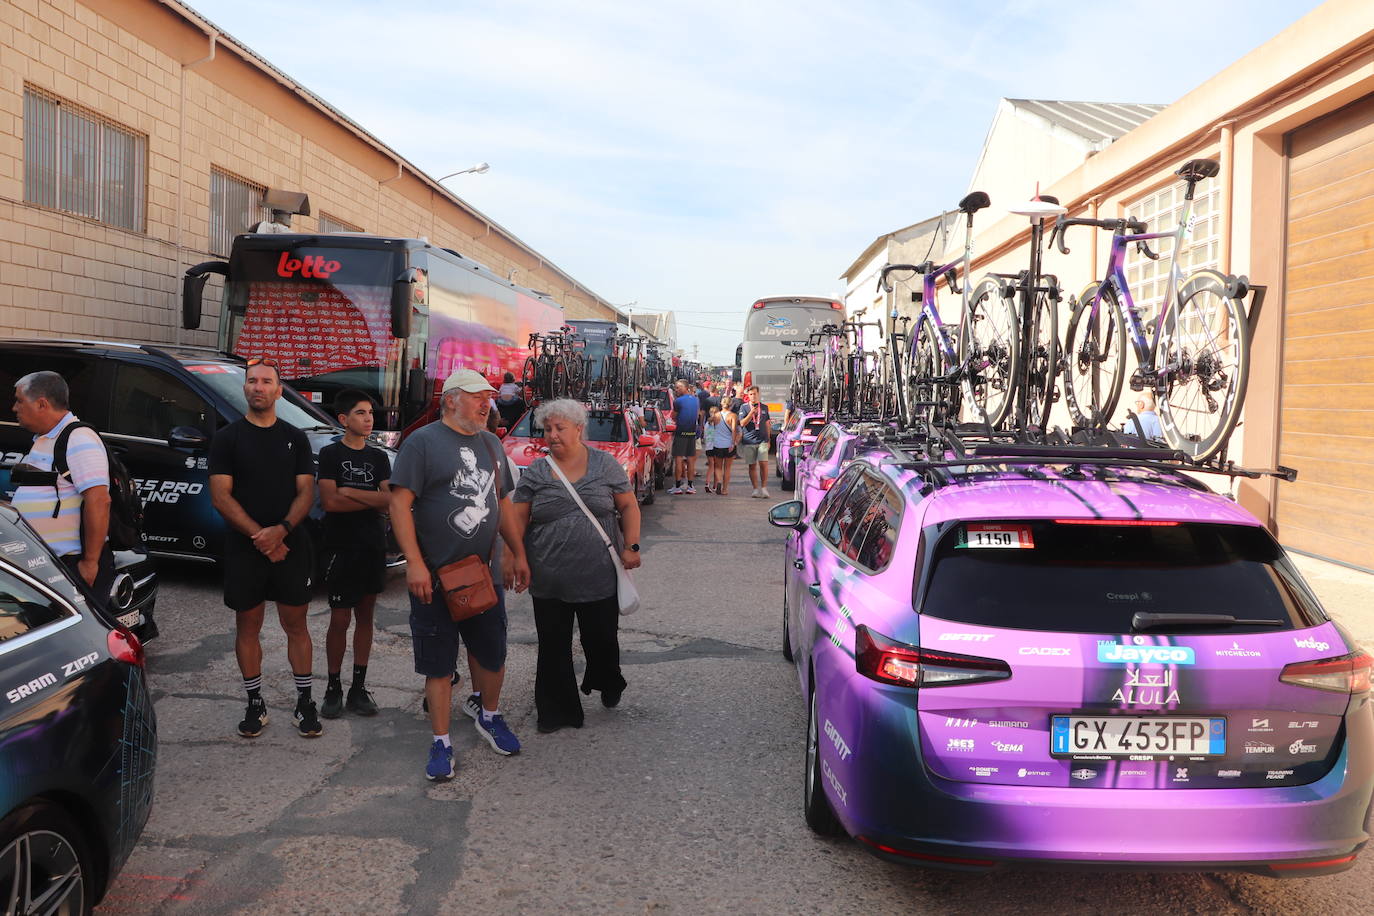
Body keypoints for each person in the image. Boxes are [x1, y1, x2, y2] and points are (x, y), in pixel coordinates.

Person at [390, 368, 531, 781]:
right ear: (451, 399)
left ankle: (489, 715)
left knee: (492, 650)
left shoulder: (490, 443)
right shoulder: (423, 443)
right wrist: (413, 562)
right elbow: (399, 505)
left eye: (487, 396)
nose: (486, 402)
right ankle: (441, 741)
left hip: (481, 574)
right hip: (433, 574)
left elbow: (503, 504)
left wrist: (517, 553)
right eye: (475, 396)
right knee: (438, 664)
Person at [509, 399, 641, 732]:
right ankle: (557, 712)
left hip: (598, 575)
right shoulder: (538, 471)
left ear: (579, 429)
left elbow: (629, 507)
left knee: (601, 641)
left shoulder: (604, 465)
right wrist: (516, 556)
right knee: (552, 646)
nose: (552, 435)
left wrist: (632, 545)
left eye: (559, 428)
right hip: (549, 577)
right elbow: (518, 516)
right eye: (548, 429)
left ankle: (608, 680)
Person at [208, 357, 320, 739]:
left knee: (296, 625)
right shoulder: (227, 438)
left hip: (290, 545)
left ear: (278, 389)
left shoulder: (296, 437)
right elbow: (221, 497)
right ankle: (255, 702)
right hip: (246, 548)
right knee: (248, 625)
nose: (258, 387)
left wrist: (283, 530)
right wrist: (262, 536)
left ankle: (305, 702)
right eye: (252, 381)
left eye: (266, 381)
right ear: (245, 388)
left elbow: (307, 491)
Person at [316, 390, 391, 719]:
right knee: (340, 618)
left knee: (365, 616)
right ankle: (333, 687)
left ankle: (358, 687)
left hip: (372, 544)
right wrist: (368, 495)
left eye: (371, 413)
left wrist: (349, 490)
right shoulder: (331, 454)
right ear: (344, 419)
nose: (368, 418)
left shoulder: (379, 457)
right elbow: (330, 503)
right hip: (341, 544)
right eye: (360, 413)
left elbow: (389, 500)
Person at [10, 371, 114, 604]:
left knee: (82, 637)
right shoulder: (46, 439)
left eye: (19, 400)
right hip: (48, 561)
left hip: (72, 563)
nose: (14, 408)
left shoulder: (78, 439)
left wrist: (89, 563)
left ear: (41, 404)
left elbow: (99, 500)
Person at [738, 386, 772, 499]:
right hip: (749, 440)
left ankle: (764, 488)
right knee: (752, 465)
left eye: (755, 394)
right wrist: (751, 412)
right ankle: (755, 489)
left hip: (762, 439)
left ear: (758, 394)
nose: (753, 396)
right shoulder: (744, 407)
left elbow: (767, 423)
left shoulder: (765, 407)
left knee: (764, 463)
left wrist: (768, 439)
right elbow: (742, 423)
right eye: (751, 394)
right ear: (748, 396)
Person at [668, 379, 699, 495]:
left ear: (686, 388)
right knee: (691, 460)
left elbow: (673, 416)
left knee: (679, 460)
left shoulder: (678, 401)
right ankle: (690, 486)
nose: (676, 390)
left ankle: (677, 486)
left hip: (681, 433)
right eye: (676, 388)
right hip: (692, 433)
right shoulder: (696, 400)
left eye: (678, 388)